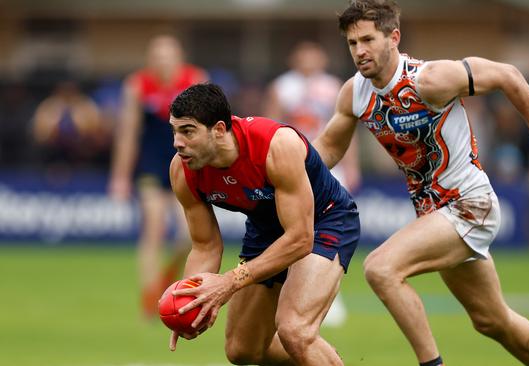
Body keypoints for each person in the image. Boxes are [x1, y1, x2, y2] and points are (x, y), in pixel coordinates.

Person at [312, 1, 529, 365]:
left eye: (368, 40)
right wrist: (284, 172)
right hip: (436, 217)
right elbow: (327, 149)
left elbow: (508, 75)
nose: (360, 51)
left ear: (394, 37)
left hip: (471, 205)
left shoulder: (429, 79)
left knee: (381, 268)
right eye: (352, 43)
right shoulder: (355, 93)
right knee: (492, 321)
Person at [166, 83, 360, 366]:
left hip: (323, 221)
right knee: (242, 350)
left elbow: (300, 239)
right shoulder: (182, 170)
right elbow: (205, 246)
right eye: (174, 131)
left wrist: (229, 282)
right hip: (267, 229)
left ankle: (313, 353)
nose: (177, 142)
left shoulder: (275, 145)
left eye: (188, 131)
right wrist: (189, 303)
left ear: (219, 130)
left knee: (294, 330)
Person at [108, 35, 208, 318]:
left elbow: (206, 128)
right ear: (150, 59)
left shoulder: (195, 78)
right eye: (157, 55)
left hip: (186, 164)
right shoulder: (138, 84)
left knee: (188, 237)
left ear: (179, 57)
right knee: (152, 229)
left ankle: (168, 280)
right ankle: (150, 297)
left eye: (168, 55)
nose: (163, 61)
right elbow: (127, 133)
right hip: (151, 166)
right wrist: (120, 176)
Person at [264, 40, 362, 326]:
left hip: (328, 165)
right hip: (292, 165)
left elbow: (346, 130)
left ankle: (330, 297)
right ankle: (292, 293)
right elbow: (270, 124)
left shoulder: (334, 87)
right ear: (295, 59)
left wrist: (352, 165)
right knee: (295, 230)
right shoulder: (282, 87)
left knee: (331, 231)